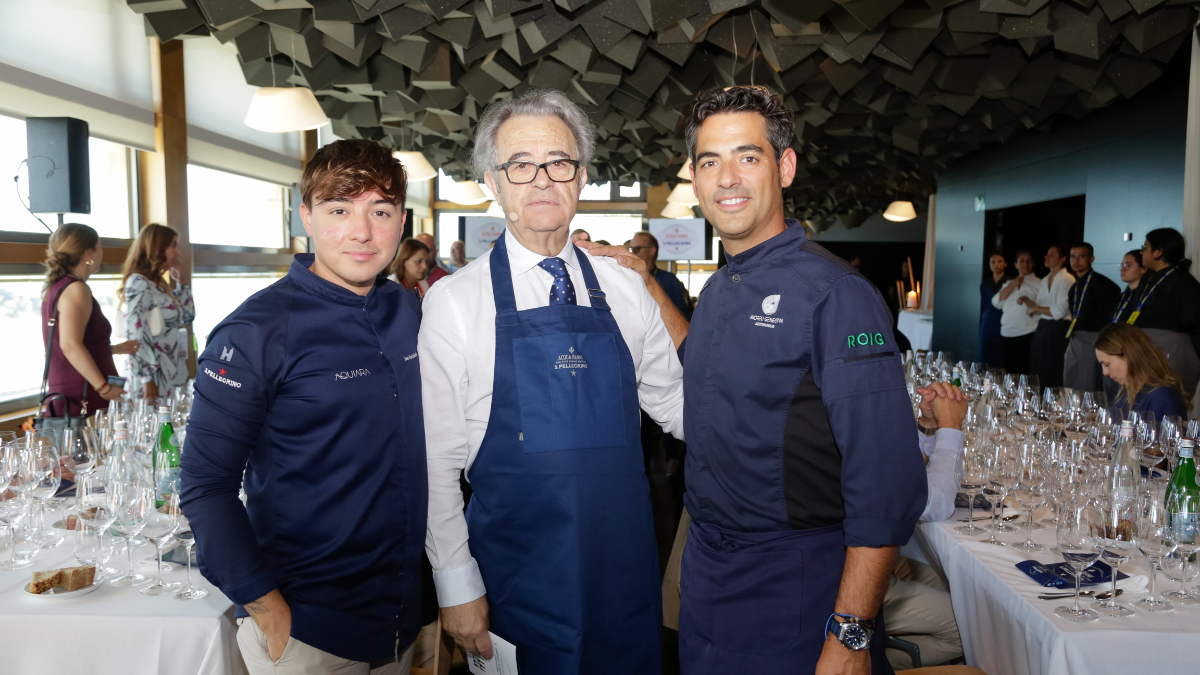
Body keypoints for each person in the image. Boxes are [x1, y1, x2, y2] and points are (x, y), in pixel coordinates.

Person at [596, 85, 926, 675]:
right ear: (693, 181)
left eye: (748, 157)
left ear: (786, 167)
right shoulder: (724, 284)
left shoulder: (838, 296)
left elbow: (887, 483)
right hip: (710, 576)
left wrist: (850, 635)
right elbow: (707, 367)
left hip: (796, 587)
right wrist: (646, 284)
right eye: (709, 162)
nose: (727, 179)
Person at [419, 89, 686, 674]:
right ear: (494, 181)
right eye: (521, 164)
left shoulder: (626, 289)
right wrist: (456, 585)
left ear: (581, 176)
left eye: (558, 162)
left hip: (624, 571)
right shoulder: (455, 301)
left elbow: (679, 407)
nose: (541, 179)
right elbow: (436, 463)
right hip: (515, 578)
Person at [180, 139, 426, 674]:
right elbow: (204, 483)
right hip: (309, 632)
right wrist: (269, 613)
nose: (361, 232)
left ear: (401, 222)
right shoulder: (255, 331)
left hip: (403, 621)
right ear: (307, 217)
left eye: (379, 212)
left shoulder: (407, 309)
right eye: (339, 210)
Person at [882, 381, 968, 670]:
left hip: (859, 552)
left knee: (953, 584)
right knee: (966, 627)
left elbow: (902, 471)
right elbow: (935, 503)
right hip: (847, 572)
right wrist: (950, 428)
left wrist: (928, 426)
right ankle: (871, 663)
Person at [40, 223, 135, 416]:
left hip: (78, 387)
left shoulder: (58, 287)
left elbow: (69, 342)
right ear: (88, 254)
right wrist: (104, 388)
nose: (102, 253)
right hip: (84, 391)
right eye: (99, 247)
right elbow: (70, 345)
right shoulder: (76, 289)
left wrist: (113, 349)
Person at [120, 223, 196, 401]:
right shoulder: (138, 282)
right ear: (158, 248)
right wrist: (147, 379)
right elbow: (135, 333)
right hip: (153, 375)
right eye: (173, 246)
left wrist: (181, 282)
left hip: (172, 370)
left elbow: (187, 317)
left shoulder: (159, 284)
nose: (177, 252)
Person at [1122, 228, 1200, 396]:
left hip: (1170, 349)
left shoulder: (1181, 281)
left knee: (1164, 400)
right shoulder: (1148, 277)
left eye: (1145, 247)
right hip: (1142, 346)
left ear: (1158, 252)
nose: (1141, 251)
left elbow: (1192, 321)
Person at [1095, 323, 1190, 421]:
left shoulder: (1162, 398)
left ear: (1129, 356)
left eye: (1106, 364)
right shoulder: (1130, 392)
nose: (1105, 372)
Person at [1062, 242, 1120, 392]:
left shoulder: (1103, 284)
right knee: (1072, 378)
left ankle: (1091, 413)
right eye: (1073, 257)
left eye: (1081, 256)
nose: (1076, 261)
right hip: (1075, 336)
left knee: (1089, 382)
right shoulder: (1075, 286)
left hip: (1095, 337)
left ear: (1091, 259)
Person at [1026, 244, 1075, 387]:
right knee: (1037, 368)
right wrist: (1028, 302)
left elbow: (1059, 312)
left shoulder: (1067, 278)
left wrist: (1036, 308)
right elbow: (1038, 307)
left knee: (1052, 368)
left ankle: (1052, 403)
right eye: (1046, 254)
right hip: (1043, 325)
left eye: (1052, 254)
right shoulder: (1045, 279)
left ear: (1063, 259)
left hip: (1058, 327)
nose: (1046, 257)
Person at [992, 251, 1040, 375]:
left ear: (1033, 264)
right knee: (1010, 372)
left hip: (1027, 333)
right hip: (1007, 333)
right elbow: (996, 303)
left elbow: (1042, 308)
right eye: (1021, 261)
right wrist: (1014, 283)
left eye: (1028, 261)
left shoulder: (1040, 283)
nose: (1025, 264)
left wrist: (1026, 299)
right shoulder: (1008, 283)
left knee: (1025, 372)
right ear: (1015, 265)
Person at [629, 231, 691, 319]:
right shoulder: (626, 276)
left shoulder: (669, 280)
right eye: (630, 249)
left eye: (637, 248)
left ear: (652, 251)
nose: (632, 252)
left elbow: (681, 316)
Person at [978, 253, 1009, 369]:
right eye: (993, 262)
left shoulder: (1010, 282)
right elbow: (990, 303)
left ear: (1005, 264)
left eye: (999, 261)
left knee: (1003, 356)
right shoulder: (985, 284)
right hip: (989, 321)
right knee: (986, 356)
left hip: (1004, 320)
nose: (996, 265)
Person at [1112, 249, 1146, 323]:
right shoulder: (1122, 296)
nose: (1122, 269)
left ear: (1143, 268)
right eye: (1122, 265)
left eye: (1128, 265)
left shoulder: (1147, 296)